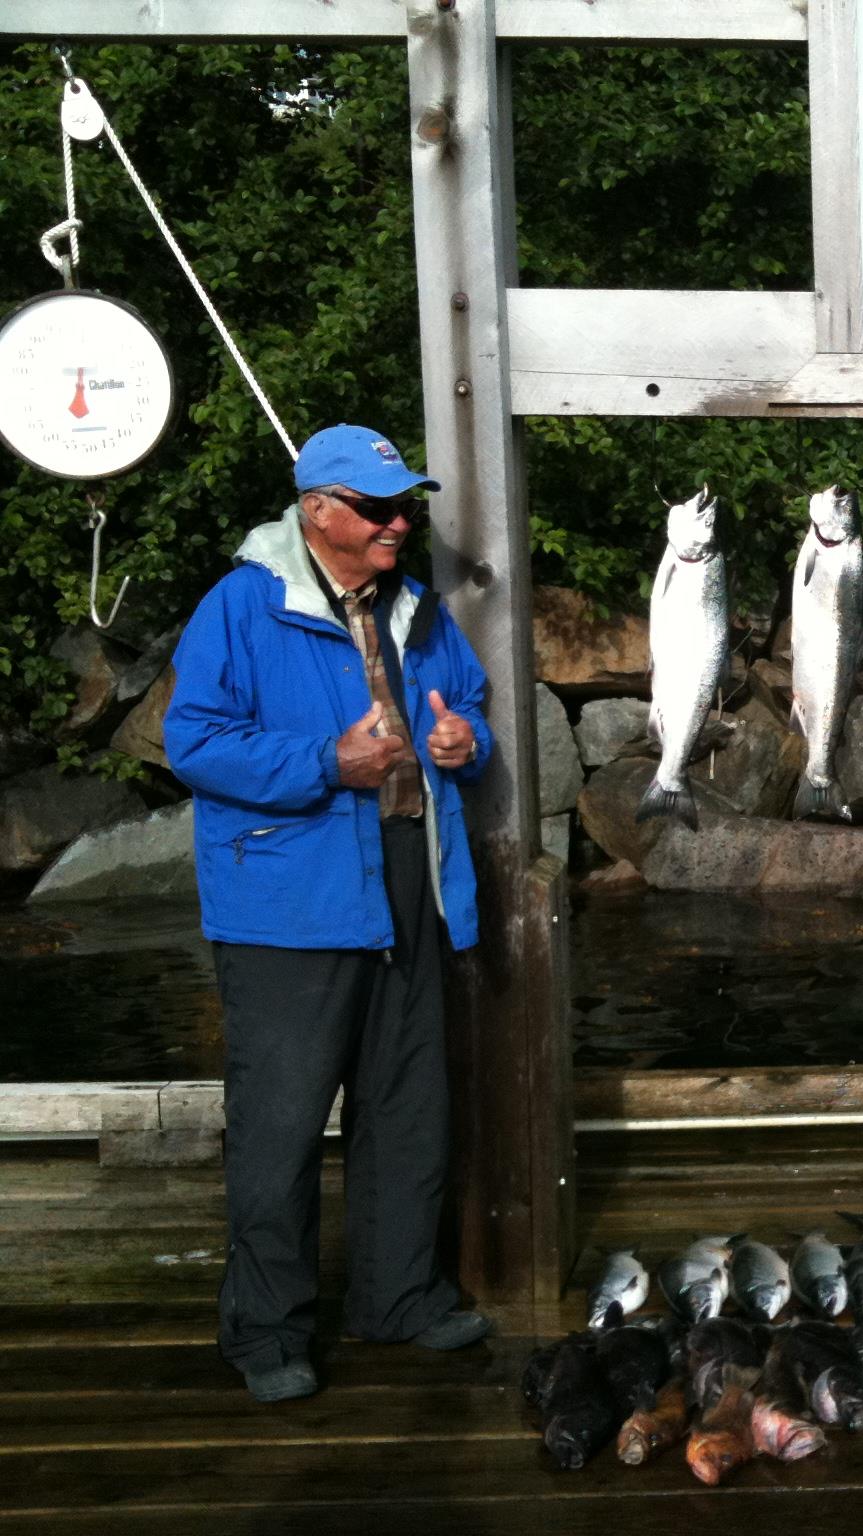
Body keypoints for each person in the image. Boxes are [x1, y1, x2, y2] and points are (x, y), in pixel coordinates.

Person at [164, 424, 496, 1402]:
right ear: (319, 513)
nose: (400, 522)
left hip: (405, 881)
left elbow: (466, 709)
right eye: (378, 506)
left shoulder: (419, 611)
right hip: (286, 903)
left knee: (405, 1106)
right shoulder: (239, 606)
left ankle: (398, 1298)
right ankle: (267, 1333)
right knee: (280, 1126)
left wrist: (456, 740)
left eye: (405, 505)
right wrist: (324, 764)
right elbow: (196, 743)